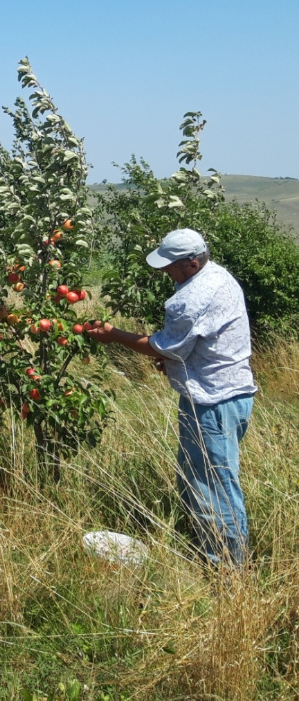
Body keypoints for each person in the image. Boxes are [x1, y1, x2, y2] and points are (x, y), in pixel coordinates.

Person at [85, 228, 257, 567]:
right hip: (233, 393)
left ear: (192, 263)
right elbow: (200, 341)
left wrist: (113, 335)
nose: (164, 271)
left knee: (214, 489)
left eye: (170, 265)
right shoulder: (218, 276)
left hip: (211, 403)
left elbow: (166, 347)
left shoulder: (190, 298)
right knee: (202, 480)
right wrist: (179, 361)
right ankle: (212, 551)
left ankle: (227, 569)